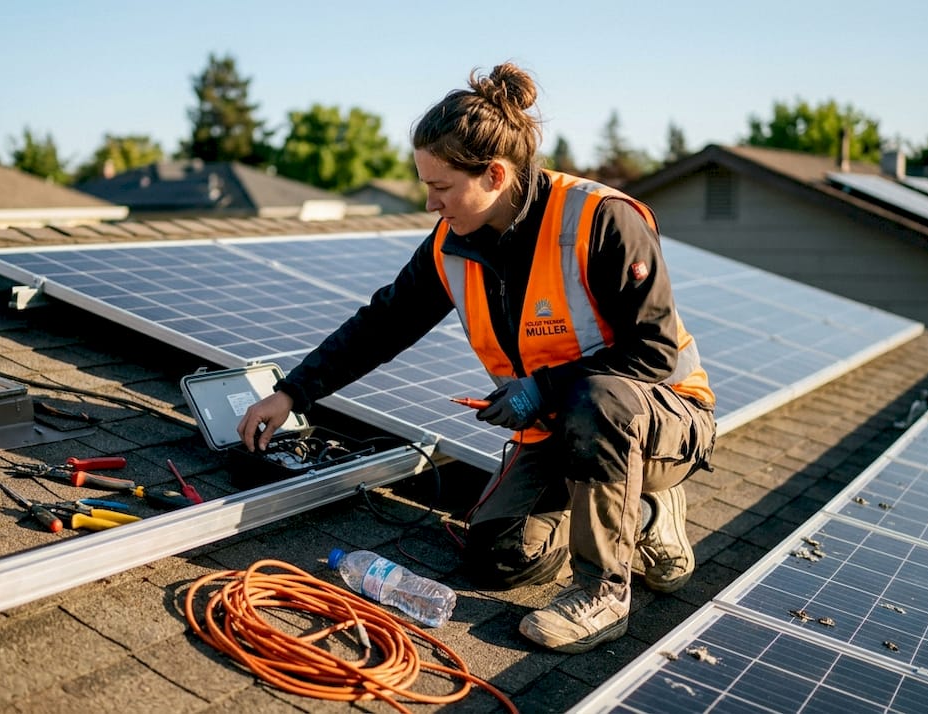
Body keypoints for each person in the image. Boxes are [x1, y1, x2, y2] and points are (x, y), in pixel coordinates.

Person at [237, 62, 716, 654]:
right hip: (564, 433)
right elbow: (383, 323)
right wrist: (292, 393)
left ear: (494, 174)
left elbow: (651, 352)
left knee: (601, 400)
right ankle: (641, 518)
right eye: (425, 186)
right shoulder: (451, 242)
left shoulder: (601, 220)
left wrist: (543, 387)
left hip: (660, 422)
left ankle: (604, 591)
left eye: (441, 187)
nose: (431, 202)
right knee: (499, 556)